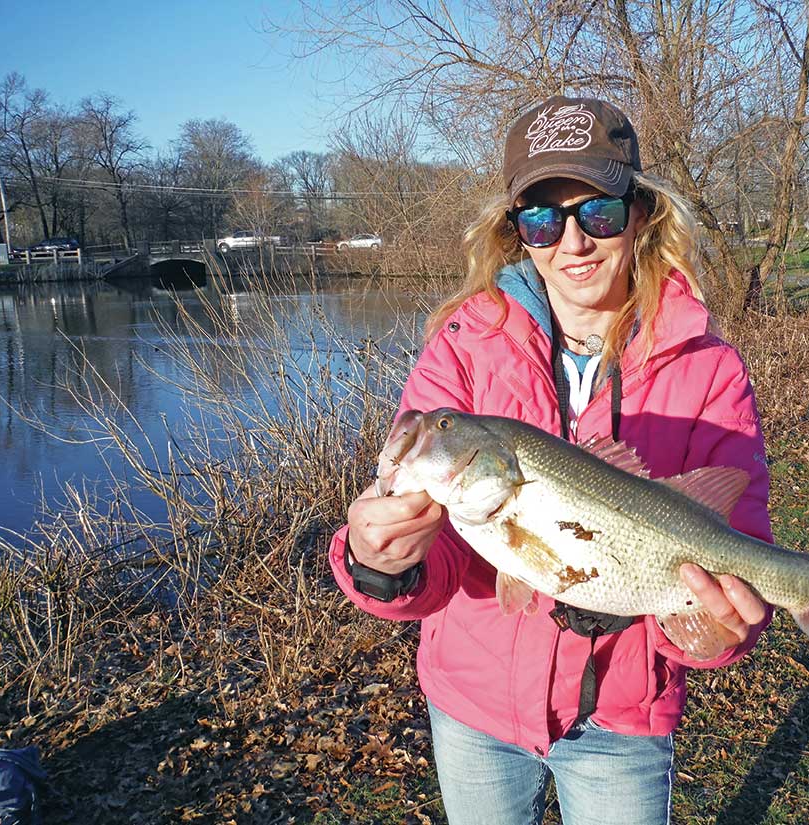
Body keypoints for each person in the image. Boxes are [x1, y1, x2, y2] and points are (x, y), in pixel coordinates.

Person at [329, 95, 774, 825]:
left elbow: (738, 544)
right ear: (516, 234)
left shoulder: (710, 368)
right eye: (541, 217)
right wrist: (382, 563)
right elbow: (433, 568)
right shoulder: (462, 346)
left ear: (640, 214)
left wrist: (709, 629)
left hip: (623, 718)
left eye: (597, 211)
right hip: (472, 705)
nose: (572, 242)